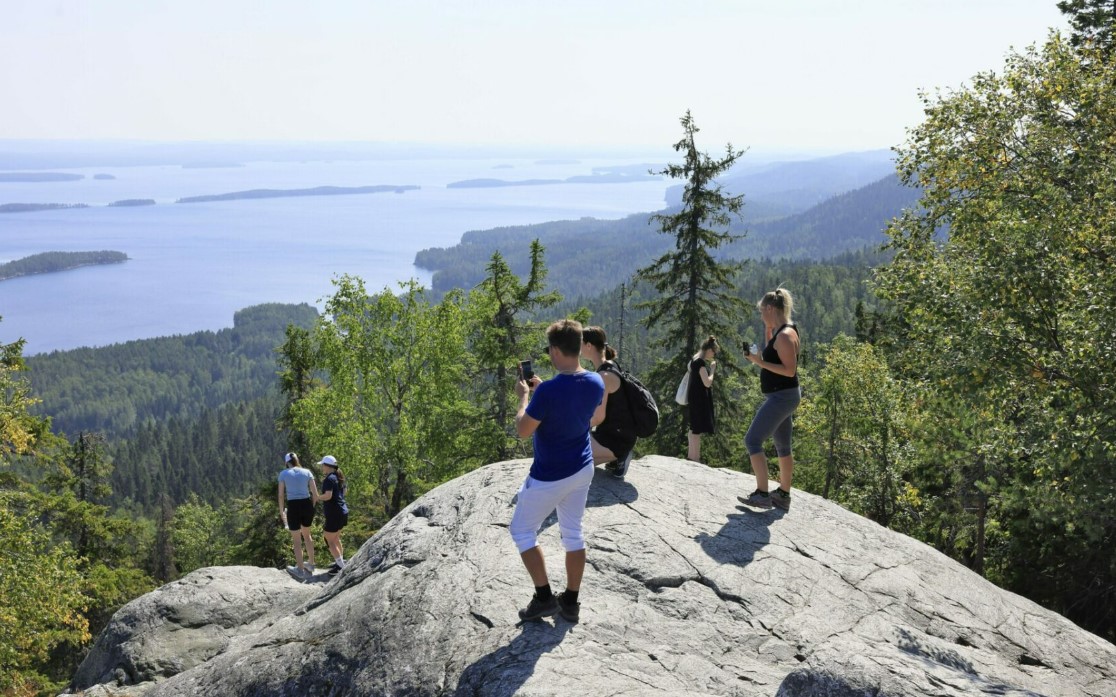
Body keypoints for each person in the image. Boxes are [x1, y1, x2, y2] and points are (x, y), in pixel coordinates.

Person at [510, 319, 606, 623]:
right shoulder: (595, 381)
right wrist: (544, 393)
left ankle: (543, 598)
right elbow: (578, 410)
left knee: (522, 531)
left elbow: (523, 430)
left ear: (554, 350)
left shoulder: (547, 393)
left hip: (550, 474)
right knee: (573, 534)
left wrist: (526, 397)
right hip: (582, 468)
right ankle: (571, 602)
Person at [740, 288, 802, 511]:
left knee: (752, 441)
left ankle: (762, 494)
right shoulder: (784, 330)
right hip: (786, 396)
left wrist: (758, 362)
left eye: (761, 311)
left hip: (781, 397)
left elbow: (789, 370)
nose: (760, 315)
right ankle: (783, 495)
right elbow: (773, 351)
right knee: (783, 446)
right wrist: (768, 331)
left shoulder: (785, 336)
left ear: (769, 308)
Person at [581, 326, 637, 478]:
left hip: (616, 439)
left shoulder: (604, 376)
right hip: (617, 435)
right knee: (573, 462)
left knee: (567, 457)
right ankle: (615, 459)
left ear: (588, 346)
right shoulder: (610, 366)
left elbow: (599, 417)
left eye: (580, 342)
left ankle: (620, 455)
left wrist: (574, 427)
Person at [277, 452, 320, 578]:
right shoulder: (307, 472)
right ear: (297, 460)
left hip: (293, 506)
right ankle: (311, 564)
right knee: (307, 535)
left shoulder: (283, 474)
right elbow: (315, 493)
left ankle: (300, 570)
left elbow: (280, 495)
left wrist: (281, 511)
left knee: (296, 540)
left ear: (287, 462)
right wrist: (310, 505)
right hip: (307, 504)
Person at [687, 336, 720, 462]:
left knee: (693, 427)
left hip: (693, 396)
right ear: (709, 350)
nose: (714, 354)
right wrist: (712, 370)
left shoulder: (695, 358)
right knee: (697, 429)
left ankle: (691, 456)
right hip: (699, 399)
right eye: (714, 351)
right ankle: (696, 459)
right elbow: (707, 383)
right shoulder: (700, 363)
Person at [316, 455, 349, 574]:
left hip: (334, 513)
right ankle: (340, 560)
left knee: (328, 539)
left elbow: (328, 495)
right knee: (335, 538)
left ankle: (340, 566)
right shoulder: (339, 477)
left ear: (327, 466)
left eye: (322, 466)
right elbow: (344, 492)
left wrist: (317, 497)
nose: (322, 468)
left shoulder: (329, 479)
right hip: (342, 511)